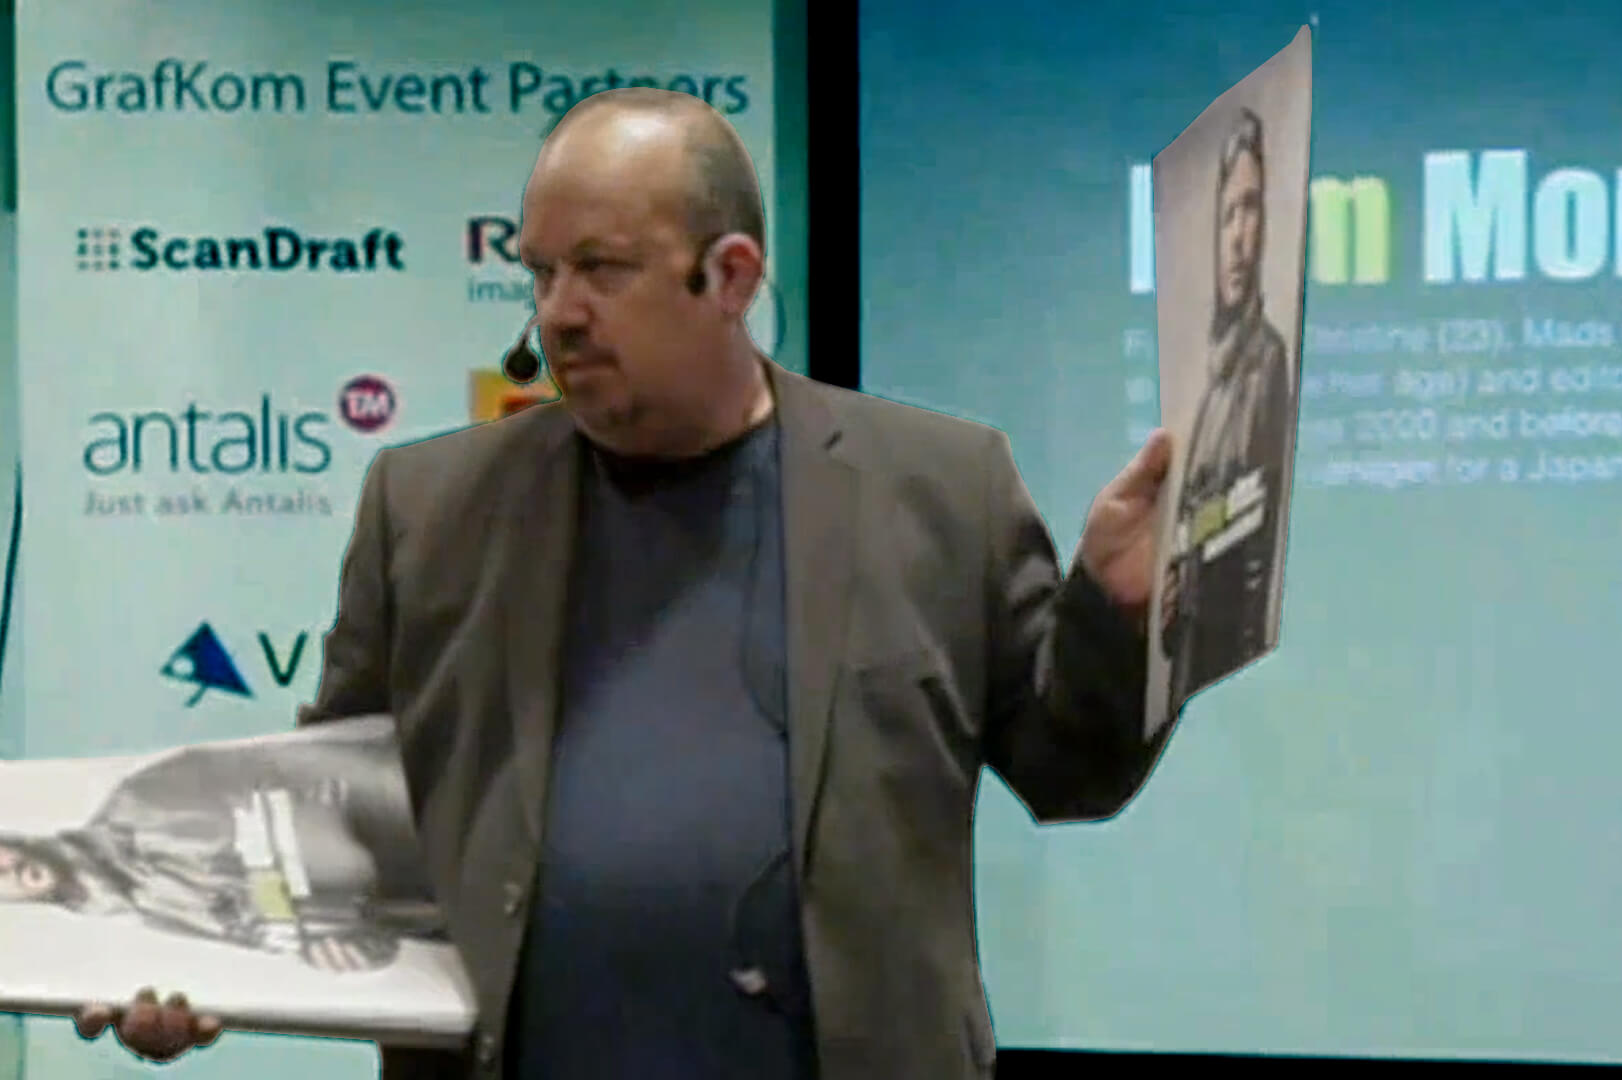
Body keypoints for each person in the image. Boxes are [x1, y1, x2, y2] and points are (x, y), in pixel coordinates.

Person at [79, 86, 1178, 1079]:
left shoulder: (940, 487)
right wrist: (202, 964)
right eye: (541, 272)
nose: (557, 312)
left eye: (602, 269)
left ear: (730, 276)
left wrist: (1123, 613)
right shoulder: (429, 509)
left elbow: (1072, 772)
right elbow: (329, 812)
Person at [3, 716, 440, 970]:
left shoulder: (140, 805)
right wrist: (347, 950)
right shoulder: (153, 909)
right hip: (440, 916)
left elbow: (309, 772)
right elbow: (294, 927)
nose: (2, 872)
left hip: (420, 809)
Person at [1159, 106, 1299, 717]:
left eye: (1253, 209)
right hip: (1187, 691)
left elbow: (1256, 556)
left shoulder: (1266, 362)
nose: (1241, 237)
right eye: (1228, 215)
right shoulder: (1206, 382)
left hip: (1232, 703)